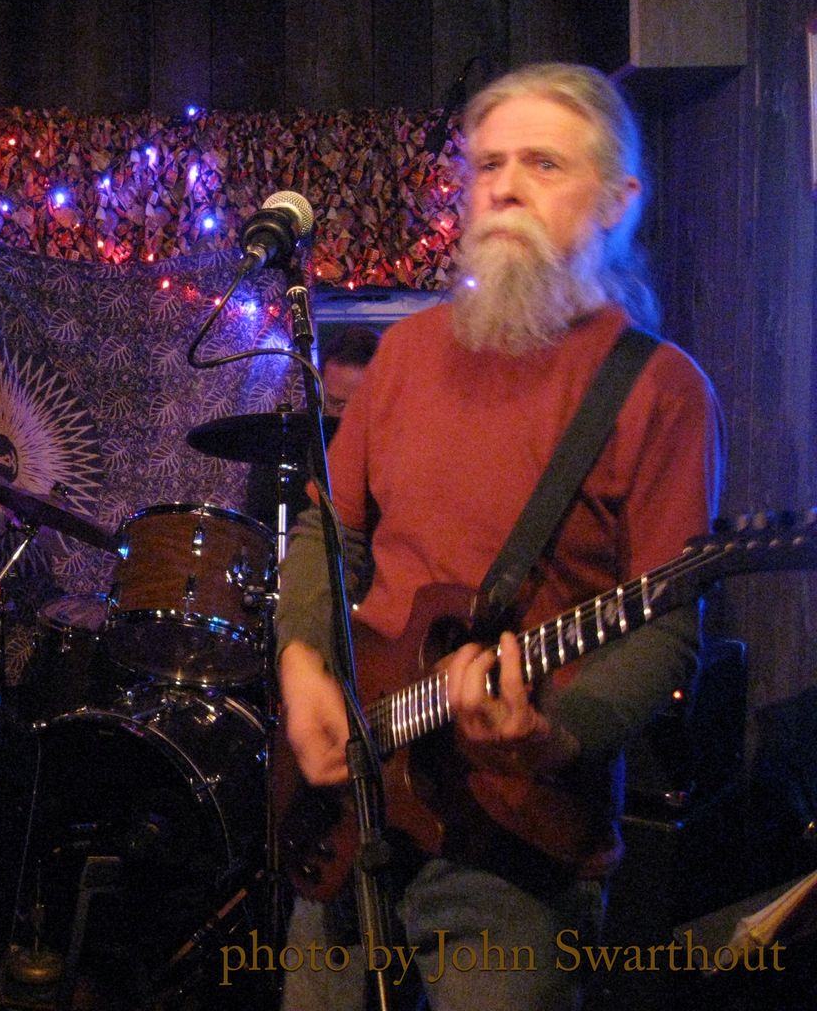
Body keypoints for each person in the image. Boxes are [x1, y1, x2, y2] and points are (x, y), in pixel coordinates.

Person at [274, 62, 721, 1010]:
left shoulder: (660, 389)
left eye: (543, 164)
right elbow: (327, 532)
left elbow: (669, 626)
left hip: (519, 847)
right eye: (488, 165)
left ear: (618, 202)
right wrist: (304, 662)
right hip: (355, 807)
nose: (506, 187)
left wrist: (556, 735)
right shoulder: (406, 353)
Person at [242, 326, 380, 527]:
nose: (348, 416)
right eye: (337, 403)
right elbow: (260, 526)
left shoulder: (404, 446)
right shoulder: (288, 441)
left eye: (359, 405)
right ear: (320, 392)